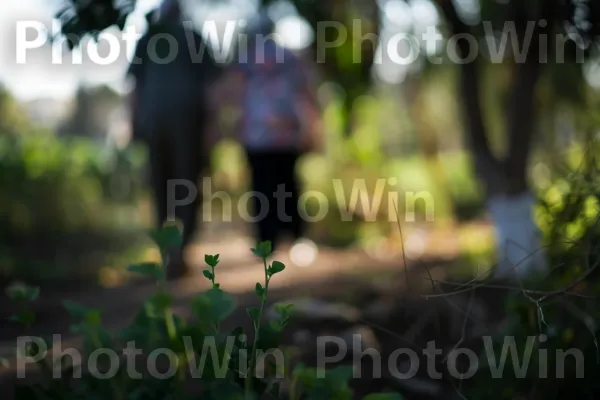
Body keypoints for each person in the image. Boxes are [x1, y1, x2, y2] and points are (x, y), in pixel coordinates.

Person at [127, 0, 221, 279]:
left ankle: (174, 251)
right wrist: (213, 127)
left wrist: (134, 123)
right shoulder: (160, 39)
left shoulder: (164, 38)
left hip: (174, 125)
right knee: (180, 187)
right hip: (175, 125)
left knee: (167, 188)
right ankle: (175, 251)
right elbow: (136, 87)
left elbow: (135, 88)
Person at [223, 11, 323, 255]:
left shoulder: (246, 60)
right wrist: (313, 128)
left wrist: (231, 128)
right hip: (287, 134)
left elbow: (234, 96)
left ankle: (267, 242)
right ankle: (296, 238)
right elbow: (307, 93)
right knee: (288, 186)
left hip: (256, 137)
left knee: (262, 189)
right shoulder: (289, 57)